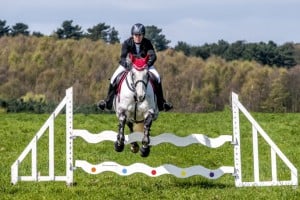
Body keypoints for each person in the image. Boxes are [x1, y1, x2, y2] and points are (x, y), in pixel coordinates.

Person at [98, 23, 173, 112]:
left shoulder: (147, 43)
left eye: (140, 35)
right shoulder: (127, 43)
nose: (138, 37)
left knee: (157, 77)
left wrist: (147, 65)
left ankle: (162, 103)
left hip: (145, 66)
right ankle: (108, 102)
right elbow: (122, 57)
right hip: (129, 66)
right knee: (114, 78)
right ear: (132, 35)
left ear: (143, 35)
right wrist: (128, 66)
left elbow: (153, 56)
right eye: (136, 35)